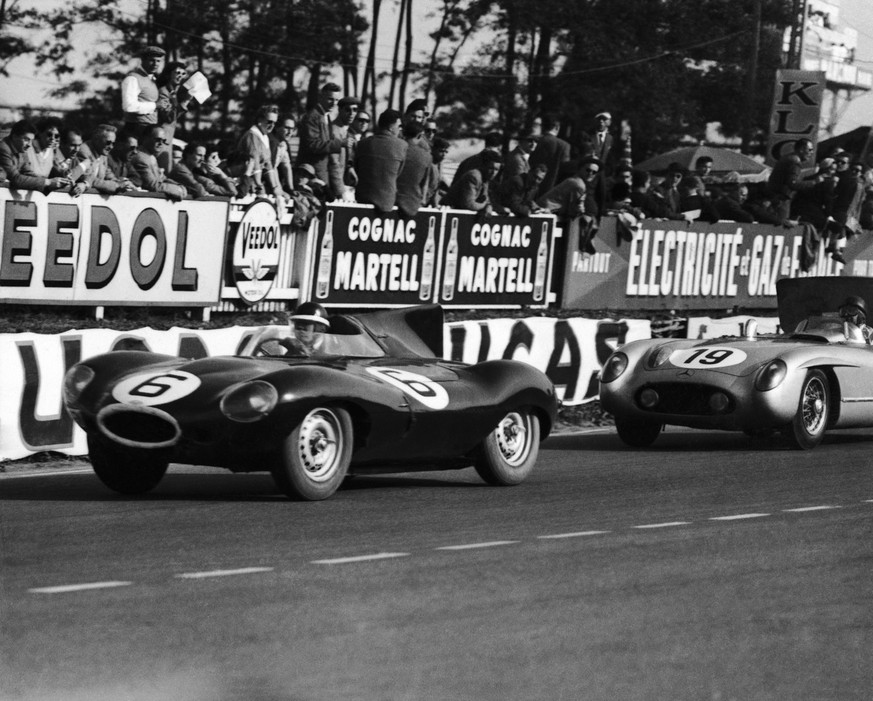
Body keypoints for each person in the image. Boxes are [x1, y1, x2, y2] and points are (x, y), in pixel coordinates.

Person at [354, 108, 407, 214]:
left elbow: (357, 168)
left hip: (362, 198)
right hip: (386, 202)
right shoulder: (402, 145)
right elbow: (398, 172)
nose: (400, 129)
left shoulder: (362, 144)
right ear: (391, 127)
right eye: (399, 126)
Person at [297, 82, 354, 183]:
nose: (334, 103)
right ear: (321, 97)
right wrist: (340, 143)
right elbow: (313, 145)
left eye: (336, 100)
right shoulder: (312, 117)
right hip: (310, 174)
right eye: (330, 99)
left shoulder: (325, 115)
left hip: (321, 172)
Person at [0, 119, 72, 192]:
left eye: (31, 140)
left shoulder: (21, 149)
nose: (29, 144)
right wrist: (48, 182)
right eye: (26, 139)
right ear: (15, 136)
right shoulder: (3, 149)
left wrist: (51, 183)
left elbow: (28, 172)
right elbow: (16, 179)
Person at [129, 126, 186, 200]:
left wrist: (179, 185)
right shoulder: (141, 158)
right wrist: (177, 189)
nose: (161, 143)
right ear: (146, 138)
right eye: (158, 140)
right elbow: (152, 185)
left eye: (163, 141)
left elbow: (162, 178)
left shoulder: (151, 156)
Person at [77, 124, 135, 195]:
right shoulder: (84, 151)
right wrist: (115, 185)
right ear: (96, 139)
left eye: (113, 143)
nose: (111, 147)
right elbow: (88, 178)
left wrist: (121, 183)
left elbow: (108, 173)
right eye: (108, 143)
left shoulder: (102, 153)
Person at [121, 45, 166, 138]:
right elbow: (129, 106)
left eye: (158, 61)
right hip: (135, 129)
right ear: (143, 60)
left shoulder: (152, 79)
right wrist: (155, 105)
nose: (155, 64)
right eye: (151, 60)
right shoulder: (133, 78)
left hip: (149, 129)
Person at [156, 60, 191, 171]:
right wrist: (185, 101)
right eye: (177, 73)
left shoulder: (172, 93)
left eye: (183, 74)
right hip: (161, 139)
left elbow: (173, 115)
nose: (180, 76)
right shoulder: (163, 92)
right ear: (168, 74)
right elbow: (169, 117)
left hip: (167, 139)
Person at [768, 137, 815, 220]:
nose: (812, 153)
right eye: (810, 150)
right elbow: (793, 183)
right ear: (801, 149)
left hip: (774, 197)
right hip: (781, 200)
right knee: (780, 228)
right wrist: (814, 182)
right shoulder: (794, 161)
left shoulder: (788, 158)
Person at [443, 148, 502, 215]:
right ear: (484, 166)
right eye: (491, 168)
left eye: (496, 169)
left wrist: (488, 205)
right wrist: (484, 206)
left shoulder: (485, 179)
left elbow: (485, 199)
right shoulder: (474, 176)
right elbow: (469, 204)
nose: (493, 173)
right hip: (448, 211)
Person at [395, 121, 433, 219]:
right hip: (413, 205)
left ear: (403, 133)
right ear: (420, 135)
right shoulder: (426, 156)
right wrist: (423, 200)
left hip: (392, 200)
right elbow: (425, 183)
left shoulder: (396, 149)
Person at [528, 113, 571, 196]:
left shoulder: (533, 141)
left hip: (529, 185)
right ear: (557, 127)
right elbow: (565, 169)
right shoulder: (564, 145)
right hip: (551, 189)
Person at [327, 96, 359, 201]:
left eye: (355, 110)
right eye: (348, 110)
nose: (352, 113)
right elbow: (334, 163)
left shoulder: (345, 130)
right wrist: (340, 191)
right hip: (332, 188)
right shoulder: (334, 130)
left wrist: (350, 168)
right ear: (339, 110)